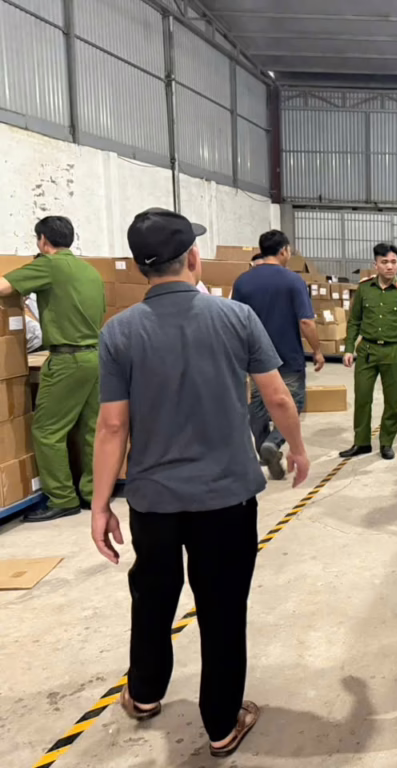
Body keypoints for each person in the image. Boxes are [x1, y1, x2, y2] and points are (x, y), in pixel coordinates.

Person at [90, 208, 311, 759]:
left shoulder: (119, 332)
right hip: (226, 499)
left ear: (141, 267)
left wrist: (100, 505)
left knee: (153, 598)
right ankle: (220, 724)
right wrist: (298, 448)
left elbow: (113, 425)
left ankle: (144, 694)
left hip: (154, 502)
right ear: (193, 258)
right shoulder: (235, 318)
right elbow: (277, 396)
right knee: (222, 608)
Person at [0, 216, 105, 522]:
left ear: (43, 240)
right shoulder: (89, 270)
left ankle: (61, 498)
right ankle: (94, 493)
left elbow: (4, 287)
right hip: (96, 357)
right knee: (91, 429)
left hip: (67, 360)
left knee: (47, 430)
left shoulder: (48, 265)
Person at [232, 230, 324, 479]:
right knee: (293, 402)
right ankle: (273, 442)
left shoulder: (242, 282)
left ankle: (264, 449)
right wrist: (317, 351)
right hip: (288, 355)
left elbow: (234, 320)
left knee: (258, 407)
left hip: (254, 358)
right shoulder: (293, 281)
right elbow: (306, 322)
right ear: (284, 250)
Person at [339, 243, 397, 461]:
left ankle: (386, 443)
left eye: (393, 262)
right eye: (384, 262)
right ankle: (362, 442)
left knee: (392, 402)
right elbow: (354, 321)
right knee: (362, 398)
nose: (390, 267)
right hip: (367, 351)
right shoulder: (364, 289)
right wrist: (349, 348)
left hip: (393, 352)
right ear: (375, 265)